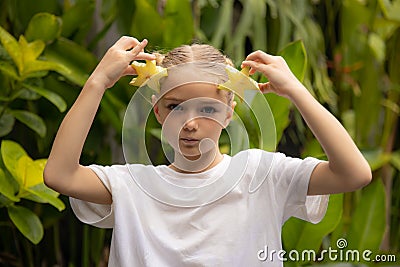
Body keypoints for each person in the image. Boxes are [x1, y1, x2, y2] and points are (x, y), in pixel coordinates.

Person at [44, 36, 372, 266]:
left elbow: (354, 174)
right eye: (175, 107)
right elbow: (60, 175)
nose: (190, 124)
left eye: (208, 110)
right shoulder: (132, 186)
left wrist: (297, 91)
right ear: (157, 111)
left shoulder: (261, 175)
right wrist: (97, 82)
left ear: (229, 113)